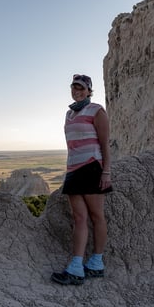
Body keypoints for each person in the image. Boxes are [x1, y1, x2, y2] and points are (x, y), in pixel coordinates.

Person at [51, 74, 113, 285]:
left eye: (81, 88)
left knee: (97, 216)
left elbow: (105, 144)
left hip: (91, 167)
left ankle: (96, 263)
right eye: (74, 87)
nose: (77, 91)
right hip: (73, 170)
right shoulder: (69, 114)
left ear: (89, 90)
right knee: (79, 218)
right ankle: (76, 267)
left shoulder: (96, 110)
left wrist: (106, 172)